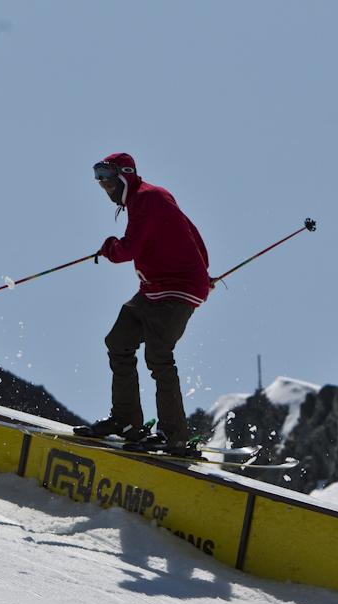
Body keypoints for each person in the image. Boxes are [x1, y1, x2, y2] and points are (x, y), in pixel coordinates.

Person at [73, 153, 211, 457]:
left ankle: (173, 436)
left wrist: (109, 246)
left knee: (159, 354)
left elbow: (127, 249)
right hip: (155, 289)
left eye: (107, 177)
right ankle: (126, 421)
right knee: (119, 341)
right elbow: (190, 230)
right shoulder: (151, 196)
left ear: (125, 174)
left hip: (177, 289)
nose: (103, 185)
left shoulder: (144, 199)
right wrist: (204, 269)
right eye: (99, 180)